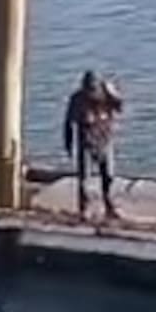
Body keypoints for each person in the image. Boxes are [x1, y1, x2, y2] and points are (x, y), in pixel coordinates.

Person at [63, 70, 123, 222]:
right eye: (88, 89)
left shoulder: (106, 95)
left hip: (105, 141)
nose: (91, 93)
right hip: (86, 144)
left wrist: (114, 94)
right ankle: (85, 209)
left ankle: (109, 206)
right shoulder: (77, 100)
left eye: (93, 89)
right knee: (84, 178)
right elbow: (68, 124)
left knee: (108, 176)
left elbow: (120, 108)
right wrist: (68, 145)